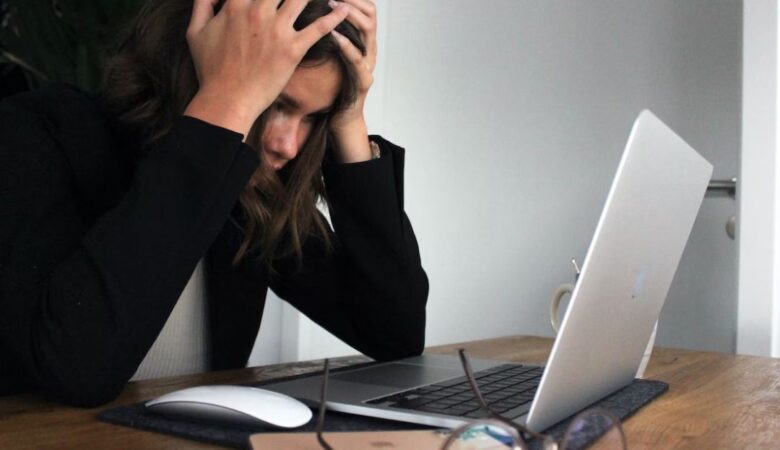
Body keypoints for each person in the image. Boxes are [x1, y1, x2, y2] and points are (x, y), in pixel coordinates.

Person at [0, 0, 428, 407]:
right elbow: (78, 370)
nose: (289, 146)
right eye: (277, 102)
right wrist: (227, 103)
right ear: (199, 61)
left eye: (314, 117)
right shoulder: (36, 134)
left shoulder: (247, 194)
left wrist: (349, 117)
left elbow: (394, 334)